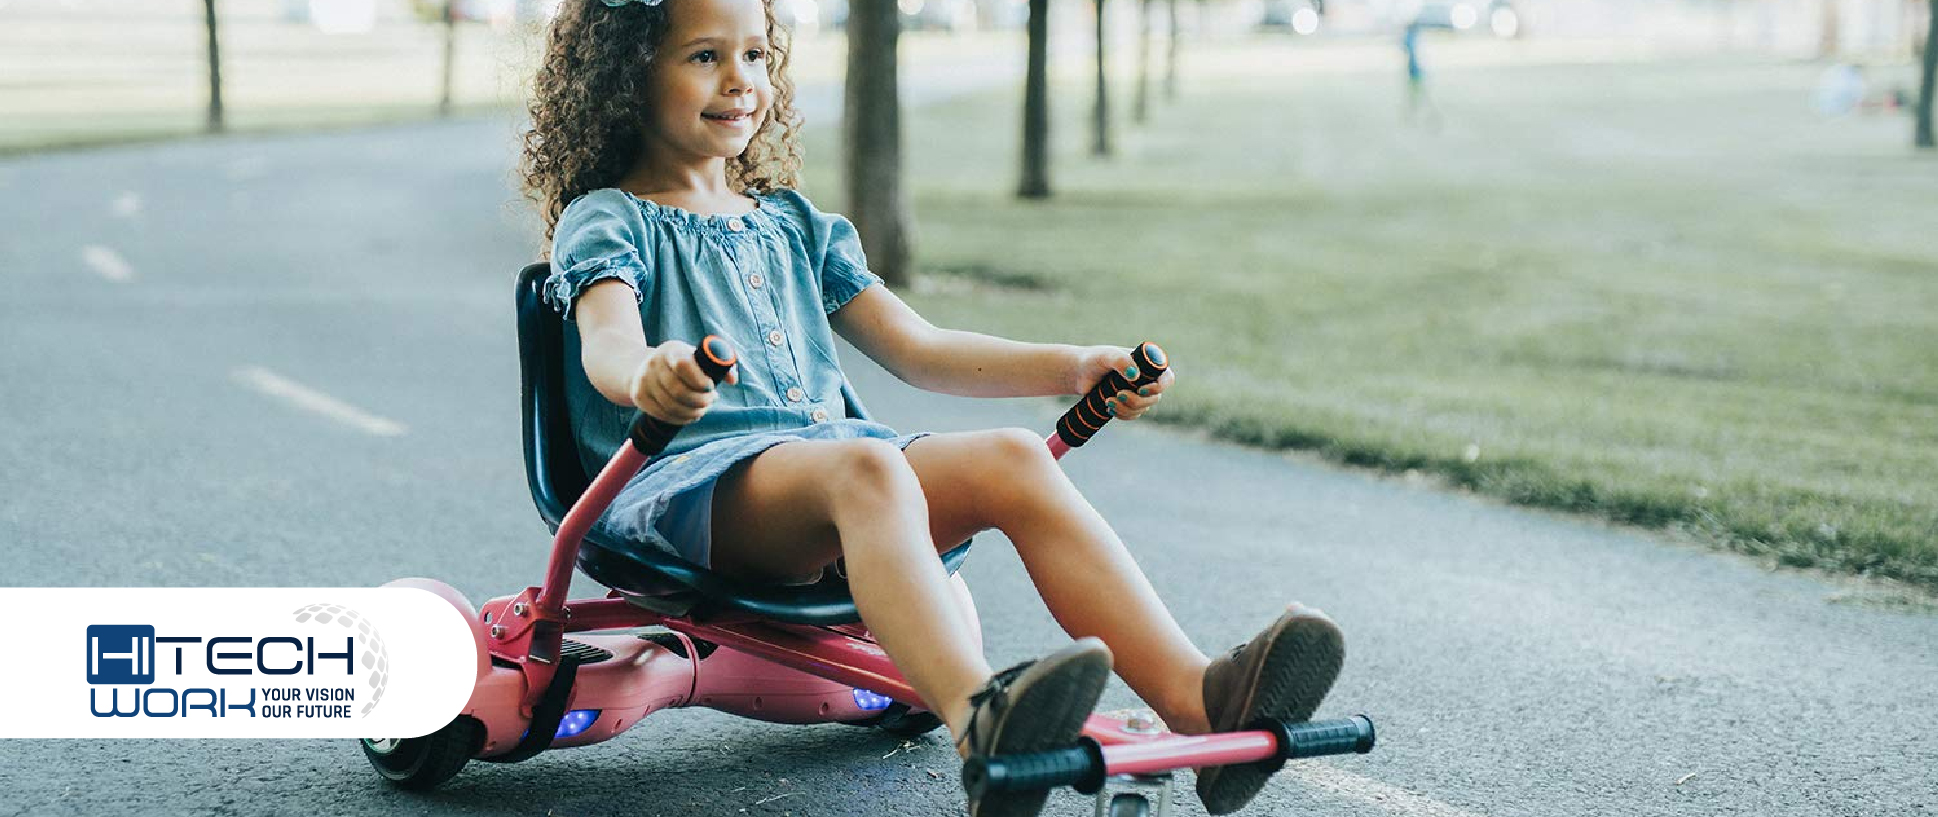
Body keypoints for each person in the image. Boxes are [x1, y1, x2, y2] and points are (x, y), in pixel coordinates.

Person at [517, 1, 1345, 814]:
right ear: (628, 75)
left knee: (1013, 456)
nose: (741, 80)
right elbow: (606, 341)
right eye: (706, 56)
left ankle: (1197, 696)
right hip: (689, 492)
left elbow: (920, 348)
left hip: (830, 478)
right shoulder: (609, 219)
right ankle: (982, 721)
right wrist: (649, 373)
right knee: (867, 463)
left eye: (757, 56)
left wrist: (1074, 364)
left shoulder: (794, 225)